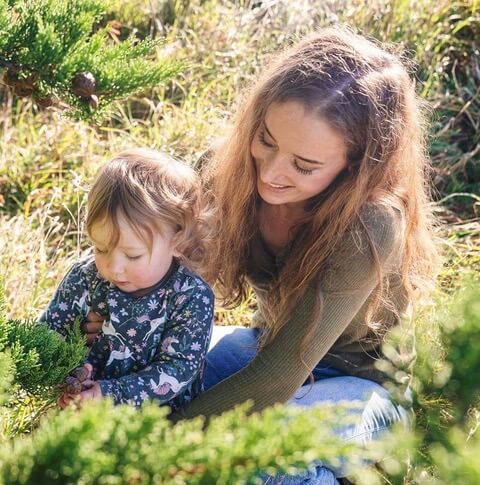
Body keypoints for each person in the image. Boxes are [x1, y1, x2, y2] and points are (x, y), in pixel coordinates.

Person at [83, 27, 438, 483]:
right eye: (267, 140)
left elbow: (280, 374)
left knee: (265, 458)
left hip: (362, 389)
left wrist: (157, 447)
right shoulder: (237, 175)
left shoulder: (371, 223)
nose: (271, 172)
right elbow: (169, 270)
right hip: (266, 343)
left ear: (357, 163)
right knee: (153, 392)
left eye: (304, 165)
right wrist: (106, 313)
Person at [39, 149, 214, 410]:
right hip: (80, 411)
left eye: (133, 256)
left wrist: (108, 395)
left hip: (160, 422)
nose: (113, 268)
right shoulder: (85, 278)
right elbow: (49, 333)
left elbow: (176, 370)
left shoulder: (190, 296)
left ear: (178, 241)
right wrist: (70, 375)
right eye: (100, 249)